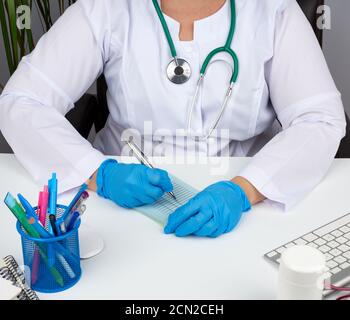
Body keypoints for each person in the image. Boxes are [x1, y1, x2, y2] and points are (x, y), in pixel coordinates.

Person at [0, 0, 346, 238]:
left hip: (247, 198)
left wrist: (244, 191)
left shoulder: (273, 10)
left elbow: (320, 118)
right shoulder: (107, 8)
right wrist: (98, 172)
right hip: (121, 201)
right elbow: (20, 101)